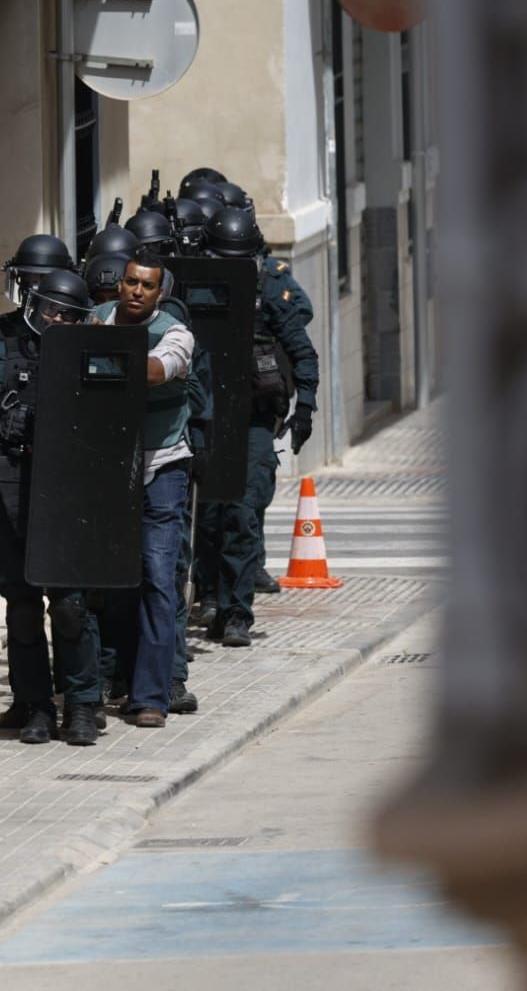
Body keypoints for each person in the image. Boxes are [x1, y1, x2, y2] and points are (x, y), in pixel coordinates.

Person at [0, 264, 104, 745]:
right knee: (21, 606)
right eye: (50, 310)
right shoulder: (2, 347)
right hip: (11, 486)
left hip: (70, 490)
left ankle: (82, 704)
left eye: (67, 314)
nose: (56, 320)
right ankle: (35, 704)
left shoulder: (92, 352)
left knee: (70, 606)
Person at [199, 207, 319, 648]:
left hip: (251, 419)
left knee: (242, 513)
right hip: (204, 416)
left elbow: (302, 352)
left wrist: (304, 409)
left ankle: (236, 612)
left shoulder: (268, 288)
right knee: (206, 517)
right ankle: (209, 596)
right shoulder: (195, 286)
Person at [91, 250, 199, 725]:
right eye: (131, 282)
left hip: (163, 464)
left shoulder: (176, 334)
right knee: (109, 578)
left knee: (158, 577)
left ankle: (151, 697)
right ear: (120, 283)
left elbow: (153, 371)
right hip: (107, 466)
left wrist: (97, 346)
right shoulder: (94, 318)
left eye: (148, 285)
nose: (137, 291)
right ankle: (106, 678)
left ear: (161, 292)